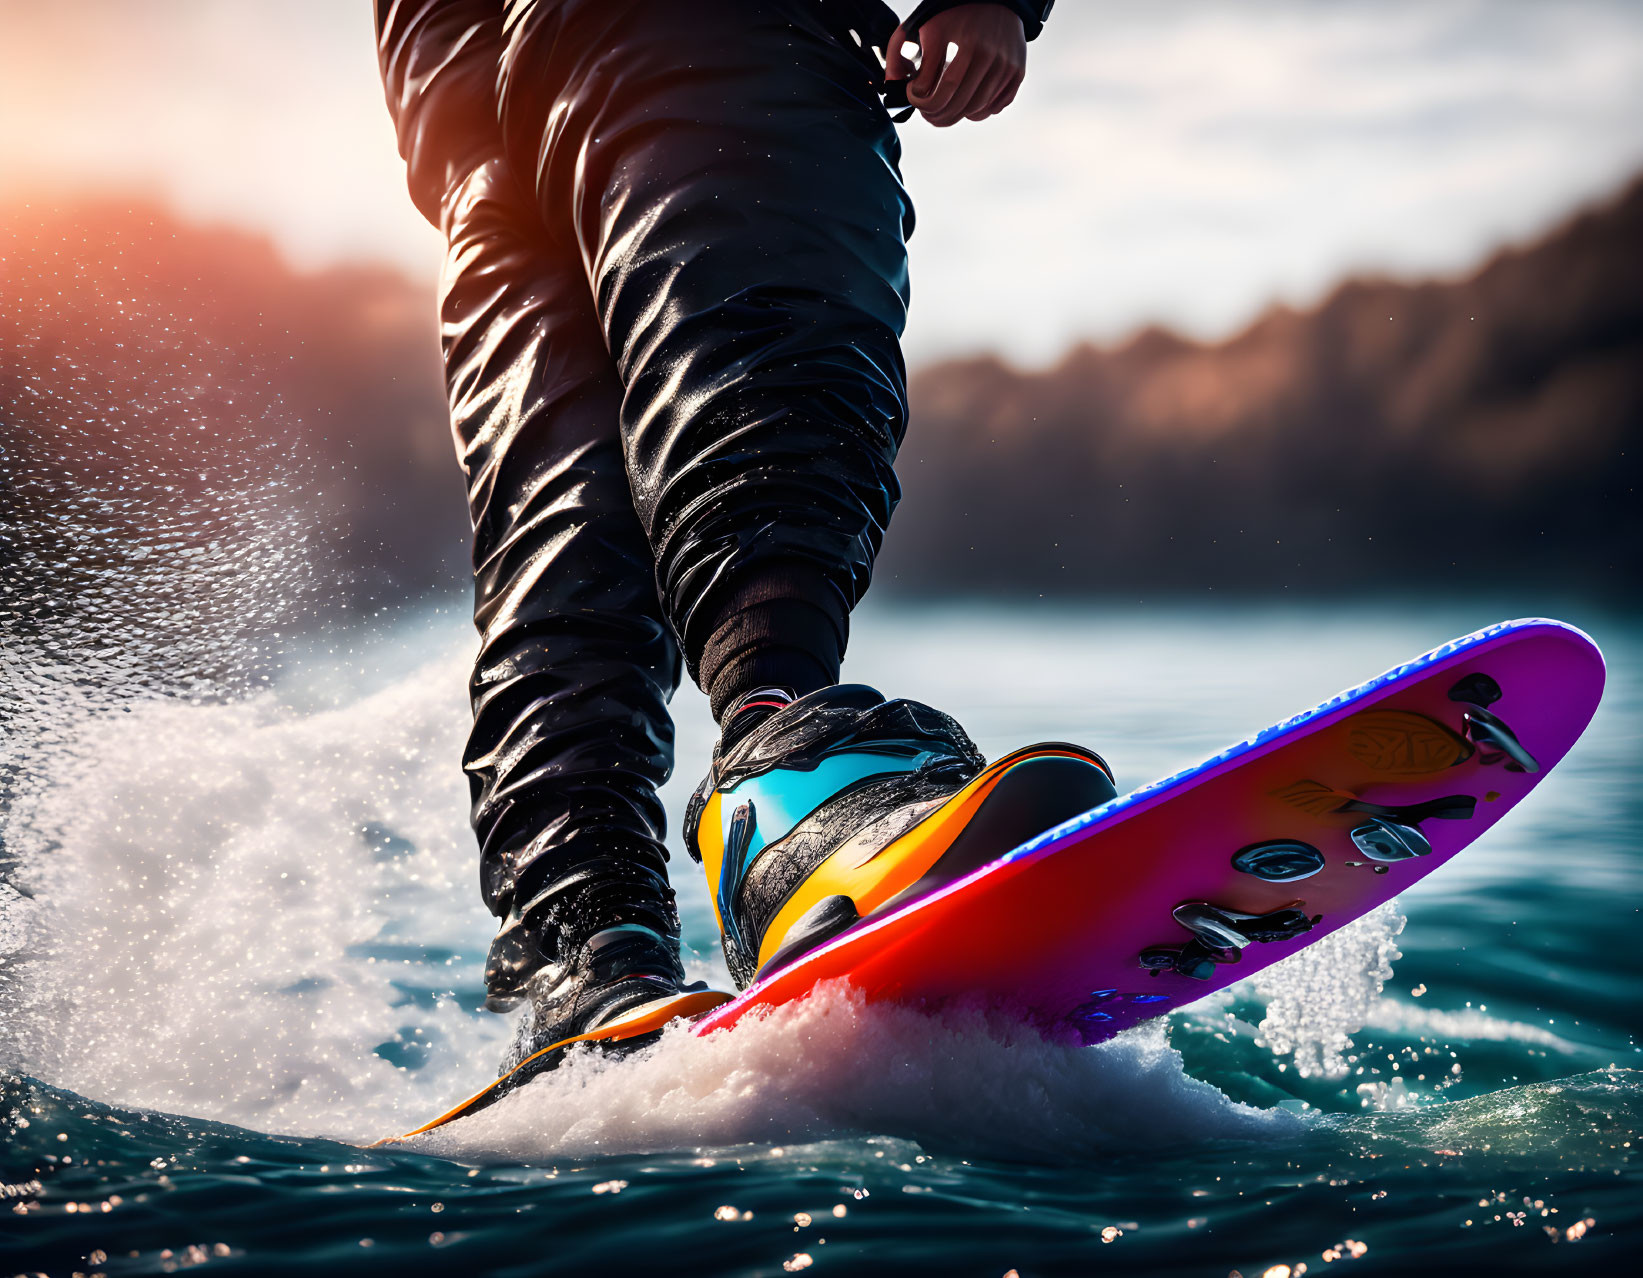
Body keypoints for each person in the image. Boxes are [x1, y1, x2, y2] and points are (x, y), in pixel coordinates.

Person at [374, 0, 1112, 1092]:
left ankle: (580, 946)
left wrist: (462, 139)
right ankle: (772, 817)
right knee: (752, 371)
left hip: (487, 120)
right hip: (692, 45)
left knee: (564, 539)